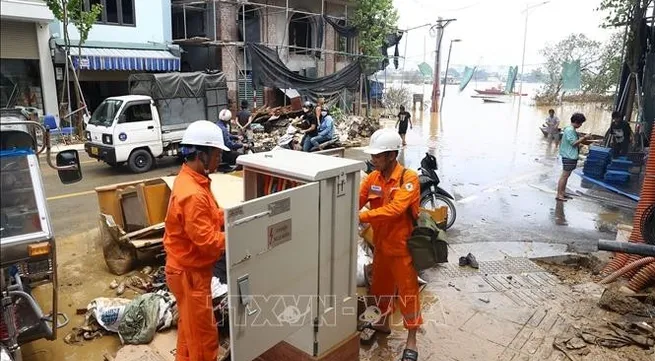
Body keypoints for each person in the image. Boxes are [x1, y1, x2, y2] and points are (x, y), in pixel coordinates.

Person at [163, 120, 230, 361]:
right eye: (217, 153)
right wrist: (239, 233)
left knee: (189, 333)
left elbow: (209, 216)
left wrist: (233, 215)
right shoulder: (193, 193)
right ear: (202, 154)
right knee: (204, 339)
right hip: (189, 274)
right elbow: (209, 241)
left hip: (186, 270)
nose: (220, 158)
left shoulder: (192, 180)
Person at [359, 129, 422, 361]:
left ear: (391, 155)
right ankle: (383, 324)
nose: (373, 159)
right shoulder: (372, 179)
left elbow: (396, 210)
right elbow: (357, 200)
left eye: (378, 156)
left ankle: (412, 340)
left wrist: (362, 217)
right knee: (380, 290)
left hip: (402, 248)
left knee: (408, 294)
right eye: (373, 155)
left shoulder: (409, 179)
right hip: (381, 248)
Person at [557, 113, 591, 202]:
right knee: (564, 176)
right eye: (581, 123)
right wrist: (584, 138)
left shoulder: (571, 130)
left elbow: (575, 143)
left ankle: (562, 193)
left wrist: (584, 140)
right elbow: (573, 143)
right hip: (569, 155)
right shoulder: (570, 130)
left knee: (566, 176)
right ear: (576, 122)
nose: (581, 125)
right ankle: (559, 194)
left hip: (570, 155)